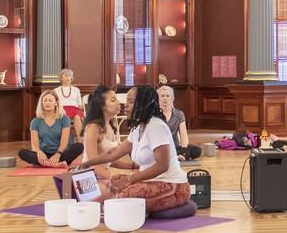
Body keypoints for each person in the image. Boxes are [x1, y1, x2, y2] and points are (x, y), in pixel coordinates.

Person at [79, 85, 190, 213]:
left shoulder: (155, 126)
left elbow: (162, 166)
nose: (125, 105)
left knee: (122, 194)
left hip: (173, 186)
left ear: (143, 104)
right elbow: (113, 153)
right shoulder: (138, 128)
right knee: (113, 182)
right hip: (151, 181)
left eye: (131, 102)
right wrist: (87, 163)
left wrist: (128, 179)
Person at [18, 90, 84, 168]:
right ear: (41, 104)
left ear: (56, 103)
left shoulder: (64, 119)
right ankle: (55, 164)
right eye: (45, 101)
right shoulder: (35, 121)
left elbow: (64, 142)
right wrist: (39, 152)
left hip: (61, 153)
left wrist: (58, 153)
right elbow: (35, 144)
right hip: (44, 154)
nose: (47, 103)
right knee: (22, 152)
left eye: (50, 100)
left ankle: (45, 164)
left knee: (79, 146)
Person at [82, 85, 123, 177]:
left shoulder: (109, 126)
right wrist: (112, 178)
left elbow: (112, 161)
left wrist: (135, 166)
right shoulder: (93, 128)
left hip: (101, 177)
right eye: (113, 100)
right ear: (102, 105)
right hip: (88, 179)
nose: (118, 102)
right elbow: (92, 164)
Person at [158, 85, 201, 161]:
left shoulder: (179, 114)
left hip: (174, 147)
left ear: (172, 98)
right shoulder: (155, 115)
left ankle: (176, 156)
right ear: (158, 98)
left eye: (167, 96)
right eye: (162, 96)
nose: (165, 98)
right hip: (159, 147)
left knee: (197, 150)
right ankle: (175, 157)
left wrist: (184, 149)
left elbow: (183, 135)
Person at [55, 69, 84, 142]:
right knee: (65, 118)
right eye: (65, 76)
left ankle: (79, 139)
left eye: (69, 76)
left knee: (77, 116)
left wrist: (81, 114)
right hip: (62, 110)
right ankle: (65, 141)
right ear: (61, 78)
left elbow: (79, 104)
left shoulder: (76, 90)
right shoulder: (56, 90)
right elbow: (55, 105)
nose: (68, 77)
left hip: (75, 109)